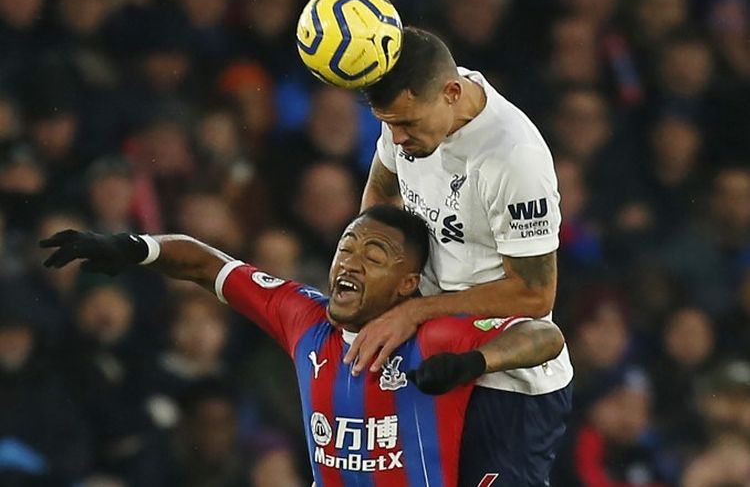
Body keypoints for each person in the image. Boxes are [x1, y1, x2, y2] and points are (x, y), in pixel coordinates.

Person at [39, 204, 564, 486]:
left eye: (375, 254)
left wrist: (475, 361)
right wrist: (135, 247)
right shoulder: (303, 318)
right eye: (346, 246)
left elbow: (544, 334)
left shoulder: (433, 335)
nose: (351, 261)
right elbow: (206, 263)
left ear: (408, 284)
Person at [348, 27, 575, 485]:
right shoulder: (413, 107)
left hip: (502, 380)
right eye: (387, 124)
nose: (397, 137)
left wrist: (414, 311)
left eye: (407, 124)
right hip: (429, 361)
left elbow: (534, 295)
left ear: (452, 93)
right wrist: (379, 285)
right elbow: (382, 194)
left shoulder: (514, 159)